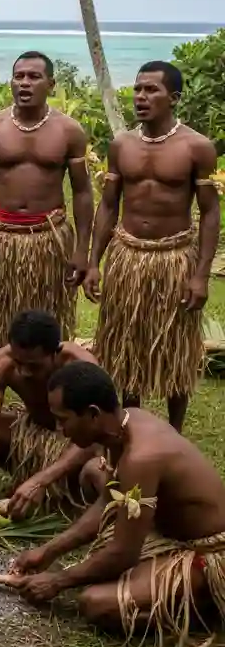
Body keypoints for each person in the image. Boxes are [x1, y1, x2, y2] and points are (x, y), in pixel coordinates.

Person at [0, 361, 225, 647]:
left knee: (97, 604)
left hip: (210, 551)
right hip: (174, 533)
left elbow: (123, 553)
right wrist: (49, 551)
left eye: (63, 419)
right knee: (93, 473)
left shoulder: (141, 457)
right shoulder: (121, 426)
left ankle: (205, 604)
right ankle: (168, 587)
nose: (59, 429)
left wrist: (58, 581)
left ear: (93, 414)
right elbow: (109, 502)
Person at [87, 62, 219, 433]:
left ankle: (174, 431)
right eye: (138, 89)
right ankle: (133, 425)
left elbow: (210, 214)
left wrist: (201, 274)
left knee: (175, 347)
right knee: (126, 344)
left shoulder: (197, 147)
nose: (141, 97)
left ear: (173, 98)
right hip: (128, 256)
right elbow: (109, 205)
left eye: (151, 91)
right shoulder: (121, 144)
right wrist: (95, 262)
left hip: (174, 258)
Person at [0, 51, 93, 365]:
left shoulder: (69, 131)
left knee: (47, 325)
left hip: (49, 240)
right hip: (0, 239)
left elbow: (83, 192)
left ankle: (46, 402)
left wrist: (81, 250)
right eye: (19, 76)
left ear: (51, 83)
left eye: (33, 76)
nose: (25, 83)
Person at [0, 310, 99, 523]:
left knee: (96, 468)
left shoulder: (80, 367)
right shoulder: (0, 363)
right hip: (34, 431)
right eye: (18, 362)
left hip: (75, 443)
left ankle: (59, 491)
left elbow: (94, 436)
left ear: (55, 353)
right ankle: (26, 480)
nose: (23, 372)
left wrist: (42, 480)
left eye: (34, 366)